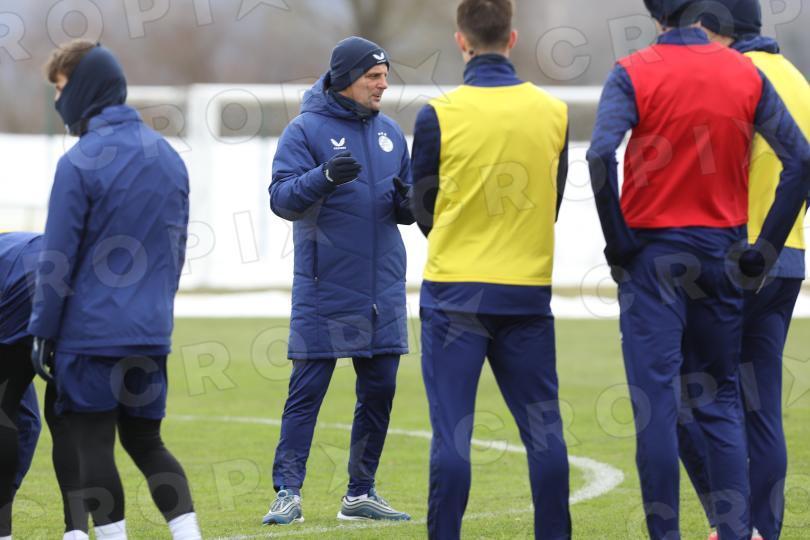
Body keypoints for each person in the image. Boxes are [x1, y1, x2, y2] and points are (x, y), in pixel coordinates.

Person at [588, 0, 810, 537]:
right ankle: (743, 531)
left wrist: (618, 244)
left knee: (660, 406)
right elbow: (800, 160)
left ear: (658, 17)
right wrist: (764, 249)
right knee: (727, 401)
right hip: (730, 255)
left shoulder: (634, 70)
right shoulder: (752, 73)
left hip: (655, 255)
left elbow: (599, 155)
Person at [411, 0, 571, 537]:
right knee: (545, 435)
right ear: (513, 38)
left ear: (462, 40)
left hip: (454, 292)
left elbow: (423, 208)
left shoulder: (437, 114)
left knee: (452, 437)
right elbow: (552, 201)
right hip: (526, 292)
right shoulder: (553, 112)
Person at [28, 40, 200, 540]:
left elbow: (58, 258)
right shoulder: (169, 157)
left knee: (93, 444)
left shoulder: (78, 162)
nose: (58, 100)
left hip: (92, 333)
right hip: (150, 331)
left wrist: (42, 329)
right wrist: (156, 313)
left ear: (82, 87)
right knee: (147, 442)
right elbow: (176, 252)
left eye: (61, 87)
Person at [263, 36, 413, 525]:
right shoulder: (304, 130)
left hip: (381, 290)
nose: (383, 84)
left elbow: (404, 199)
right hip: (324, 286)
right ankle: (287, 493)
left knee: (380, 391)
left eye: (385, 76)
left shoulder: (391, 133)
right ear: (347, 78)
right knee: (306, 392)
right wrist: (323, 177)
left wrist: (413, 204)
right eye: (374, 76)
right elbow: (281, 199)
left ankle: (360, 493)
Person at [675, 2, 810, 539]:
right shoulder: (797, 80)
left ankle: (731, 524)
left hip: (730, 260)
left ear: (712, 28)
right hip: (786, 259)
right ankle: (761, 531)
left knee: (681, 395)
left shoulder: (729, 76)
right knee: (762, 409)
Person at [0, 231, 86, 540]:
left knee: (6, 412)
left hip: (22, 288)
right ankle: (76, 530)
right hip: (76, 283)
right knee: (60, 420)